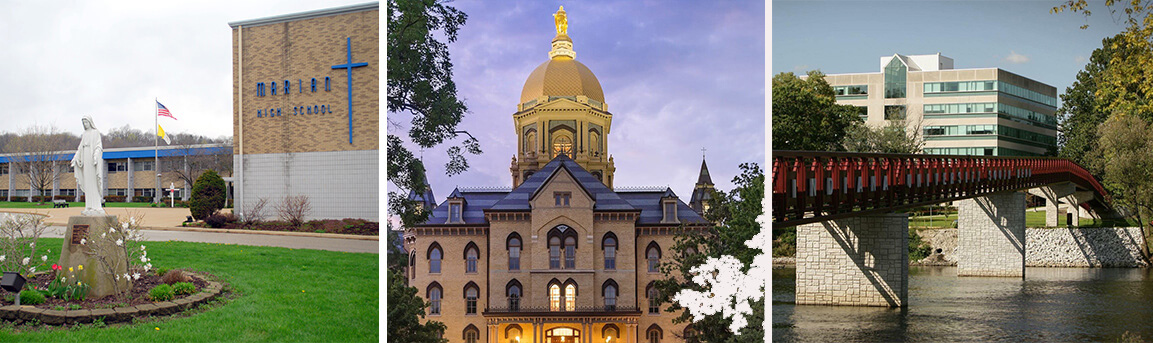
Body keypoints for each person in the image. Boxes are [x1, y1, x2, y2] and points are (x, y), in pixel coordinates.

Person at [72, 116, 105, 215]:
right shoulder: (84, 134)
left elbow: (99, 146)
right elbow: (80, 148)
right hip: (85, 158)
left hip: (92, 159)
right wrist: (76, 158)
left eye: (86, 122)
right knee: (88, 183)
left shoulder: (95, 133)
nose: (84, 124)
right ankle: (89, 206)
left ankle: (96, 206)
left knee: (93, 182)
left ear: (90, 122)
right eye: (83, 123)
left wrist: (96, 156)